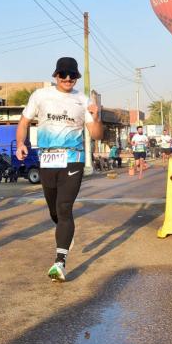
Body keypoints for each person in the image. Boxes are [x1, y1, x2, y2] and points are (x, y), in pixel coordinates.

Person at [16, 57, 103, 282]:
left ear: (76, 78)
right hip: (47, 158)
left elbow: (96, 135)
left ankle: (59, 262)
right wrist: (20, 144)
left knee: (65, 208)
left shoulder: (82, 100)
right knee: (54, 210)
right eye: (63, 74)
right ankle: (66, 233)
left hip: (73, 159)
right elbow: (24, 122)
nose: (67, 79)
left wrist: (96, 116)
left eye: (72, 75)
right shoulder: (40, 95)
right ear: (55, 75)